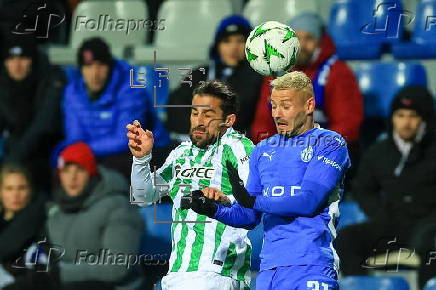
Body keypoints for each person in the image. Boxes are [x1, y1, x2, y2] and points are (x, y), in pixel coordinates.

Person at [187, 72, 351, 289]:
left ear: (309, 105)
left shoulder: (330, 143)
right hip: (269, 271)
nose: (277, 114)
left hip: (312, 264)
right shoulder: (263, 149)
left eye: (285, 106)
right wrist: (213, 209)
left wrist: (252, 201)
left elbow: (308, 201)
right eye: (273, 106)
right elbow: (248, 216)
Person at [127, 80, 254, 289]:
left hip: (217, 273)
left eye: (208, 115)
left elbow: (253, 202)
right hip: (177, 273)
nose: (199, 121)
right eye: (195, 113)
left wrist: (225, 199)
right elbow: (142, 197)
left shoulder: (239, 147)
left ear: (228, 120)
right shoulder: (180, 153)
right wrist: (141, 159)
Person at [336, 86, 436, 288]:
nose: (406, 123)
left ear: (424, 119)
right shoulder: (379, 151)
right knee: (347, 239)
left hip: (429, 225)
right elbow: (363, 188)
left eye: (413, 116)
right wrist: (379, 212)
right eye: (400, 115)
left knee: (430, 246)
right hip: (390, 224)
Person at [60, 37, 170, 177]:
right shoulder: (72, 92)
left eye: (100, 65)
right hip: (99, 154)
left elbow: (126, 139)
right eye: (88, 66)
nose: (95, 73)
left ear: (110, 66)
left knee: (109, 167)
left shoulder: (131, 88)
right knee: (65, 165)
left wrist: (84, 150)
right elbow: (75, 137)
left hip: (147, 152)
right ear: (81, 69)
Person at [251, 12, 363, 145]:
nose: (302, 45)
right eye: (297, 38)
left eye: (309, 38)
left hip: (324, 151)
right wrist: (271, 150)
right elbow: (262, 122)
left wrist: (311, 149)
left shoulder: (337, 72)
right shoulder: (275, 72)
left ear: (319, 42)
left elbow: (347, 124)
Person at [46, 142, 143, 289]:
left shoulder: (117, 207)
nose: (72, 178)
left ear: (91, 173)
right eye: (66, 170)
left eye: (80, 170)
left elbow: (117, 267)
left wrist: (57, 274)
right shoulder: (55, 209)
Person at [167, 15, 262, 140]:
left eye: (240, 41)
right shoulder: (199, 73)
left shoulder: (257, 77)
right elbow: (175, 107)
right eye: (226, 41)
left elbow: (242, 112)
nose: (233, 47)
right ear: (217, 46)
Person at [0, 35, 65, 192]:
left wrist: (12, 161)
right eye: (11, 59)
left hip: (48, 146)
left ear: (32, 60)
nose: (17, 65)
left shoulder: (51, 78)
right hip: (16, 145)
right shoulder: (4, 83)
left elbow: (44, 125)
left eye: (23, 58)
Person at [0, 164, 52, 289]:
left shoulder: (41, 220)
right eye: (9, 188)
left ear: (31, 190)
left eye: (22, 188)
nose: (15, 195)